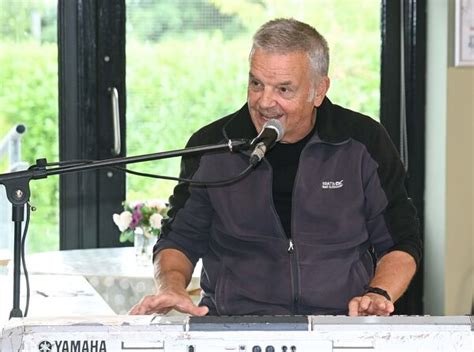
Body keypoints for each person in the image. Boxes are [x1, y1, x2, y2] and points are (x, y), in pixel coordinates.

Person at [130, 18, 422, 317]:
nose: (265, 102)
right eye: (256, 84)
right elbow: (179, 239)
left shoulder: (363, 142)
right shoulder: (213, 146)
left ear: (319, 91)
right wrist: (171, 287)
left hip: (340, 323)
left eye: (283, 89)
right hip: (234, 325)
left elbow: (401, 240)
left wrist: (377, 293)